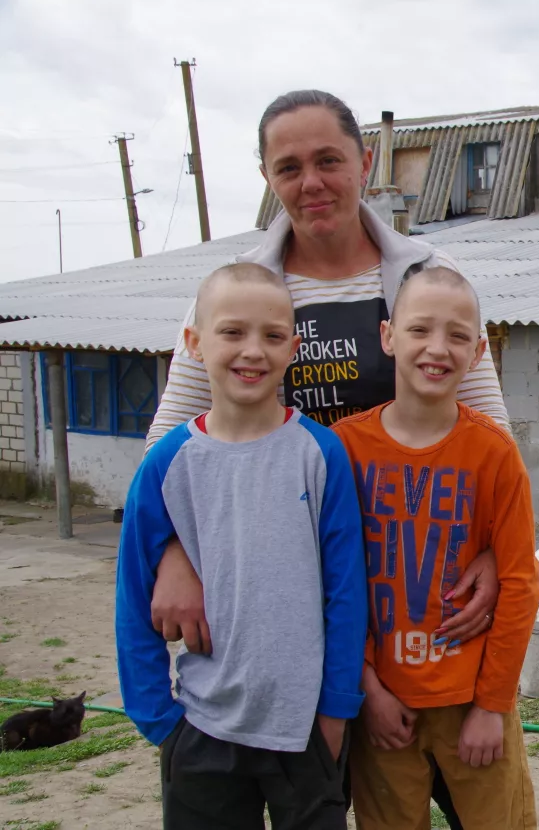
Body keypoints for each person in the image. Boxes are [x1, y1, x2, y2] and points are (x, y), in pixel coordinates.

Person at [146, 89, 507, 826]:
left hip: (426, 587)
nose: (310, 183)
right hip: (295, 604)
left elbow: (491, 435)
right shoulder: (239, 290)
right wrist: (175, 551)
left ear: (364, 163)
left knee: (480, 799)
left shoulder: (428, 279)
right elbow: (170, 443)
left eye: (328, 161)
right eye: (288, 167)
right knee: (357, 799)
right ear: (267, 177)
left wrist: (496, 555)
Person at [115, 263, 368, 829]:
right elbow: (133, 597)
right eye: (232, 332)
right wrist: (159, 720)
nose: (253, 350)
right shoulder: (165, 465)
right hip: (202, 729)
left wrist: (335, 710)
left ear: (293, 348)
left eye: (273, 335)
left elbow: (347, 595)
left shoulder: (320, 454)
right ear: (194, 343)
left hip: (305, 730)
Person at [333, 265, 539, 829]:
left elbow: (521, 582)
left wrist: (492, 707)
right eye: (420, 329)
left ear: (478, 352)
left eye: (456, 335)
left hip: (472, 700)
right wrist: (366, 688)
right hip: (382, 709)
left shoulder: (494, 453)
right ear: (388, 336)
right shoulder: (341, 450)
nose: (436, 348)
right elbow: (330, 584)